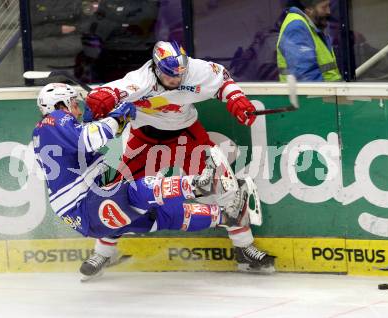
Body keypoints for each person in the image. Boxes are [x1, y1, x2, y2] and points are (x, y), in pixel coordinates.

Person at [32, 83, 274, 280]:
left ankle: (227, 216)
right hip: (86, 204)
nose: (76, 108)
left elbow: (90, 140)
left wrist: (117, 119)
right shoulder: (52, 121)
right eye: (74, 103)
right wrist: (116, 118)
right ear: (60, 104)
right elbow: (90, 138)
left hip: (93, 210)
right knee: (134, 191)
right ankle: (200, 184)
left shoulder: (56, 130)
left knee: (163, 215)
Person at [81, 40, 275, 277]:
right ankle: (104, 252)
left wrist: (236, 100)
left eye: (180, 73)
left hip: (186, 133)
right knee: (122, 195)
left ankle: (244, 248)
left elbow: (223, 82)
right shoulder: (140, 80)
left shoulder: (195, 69)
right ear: (156, 68)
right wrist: (101, 99)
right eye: (171, 75)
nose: (177, 80)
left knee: (223, 182)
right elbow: (112, 92)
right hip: (143, 140)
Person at [276, 0, 342, 82]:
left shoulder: (309, 26)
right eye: (324, 7)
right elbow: (307, 78)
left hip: (327, 93)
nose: (328, 12)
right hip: (316, 94)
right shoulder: (296, 27)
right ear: (309, 9)